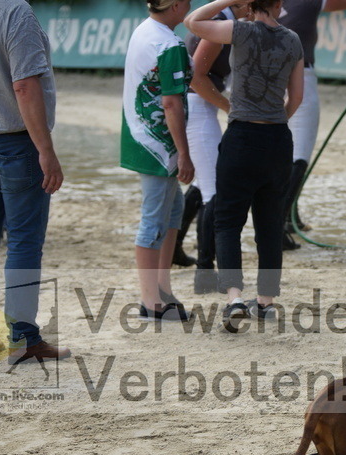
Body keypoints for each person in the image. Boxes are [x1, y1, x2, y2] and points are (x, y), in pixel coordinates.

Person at [0, 0, 69, 364]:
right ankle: (23, 338)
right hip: (15, 141)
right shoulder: (16, 11)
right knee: (23, 242)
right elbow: (23, 85)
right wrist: (45, 149)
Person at [185, 0, 304, 331]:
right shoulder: (293, 40)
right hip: (277, 139)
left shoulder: (240, 31)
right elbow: (296, 98)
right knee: (269, 224)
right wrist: (276, 122)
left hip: (242, 136)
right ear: (279, 3)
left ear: (251, 5)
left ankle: (234, 298)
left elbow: (192, 22)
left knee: (228, 221)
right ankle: (265, 304)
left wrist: (225, 0)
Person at [121, 0, 195, 321]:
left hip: (139, 134)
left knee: (172, 211)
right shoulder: (170, 44)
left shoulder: (145, 30)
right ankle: (151, 301)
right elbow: (171, 104)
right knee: (154, 220)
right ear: (177, 5)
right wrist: (185, 153)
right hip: (158, 143)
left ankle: (161, 290)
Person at [278, 0, 346, 238]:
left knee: (277, 152)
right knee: (299, 153)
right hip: (300, 73)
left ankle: (289, 215)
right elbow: (342, 3)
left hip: (260, 76)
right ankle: (279, 223)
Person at [184, 2, 250, 292]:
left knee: (202, 184)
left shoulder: (224, 19)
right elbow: (196, 77)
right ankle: (204, 271)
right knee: (214, 193)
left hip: (199, 107)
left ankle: (178, 249)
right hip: (197, 107)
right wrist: (229, 106)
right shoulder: (219, 22)